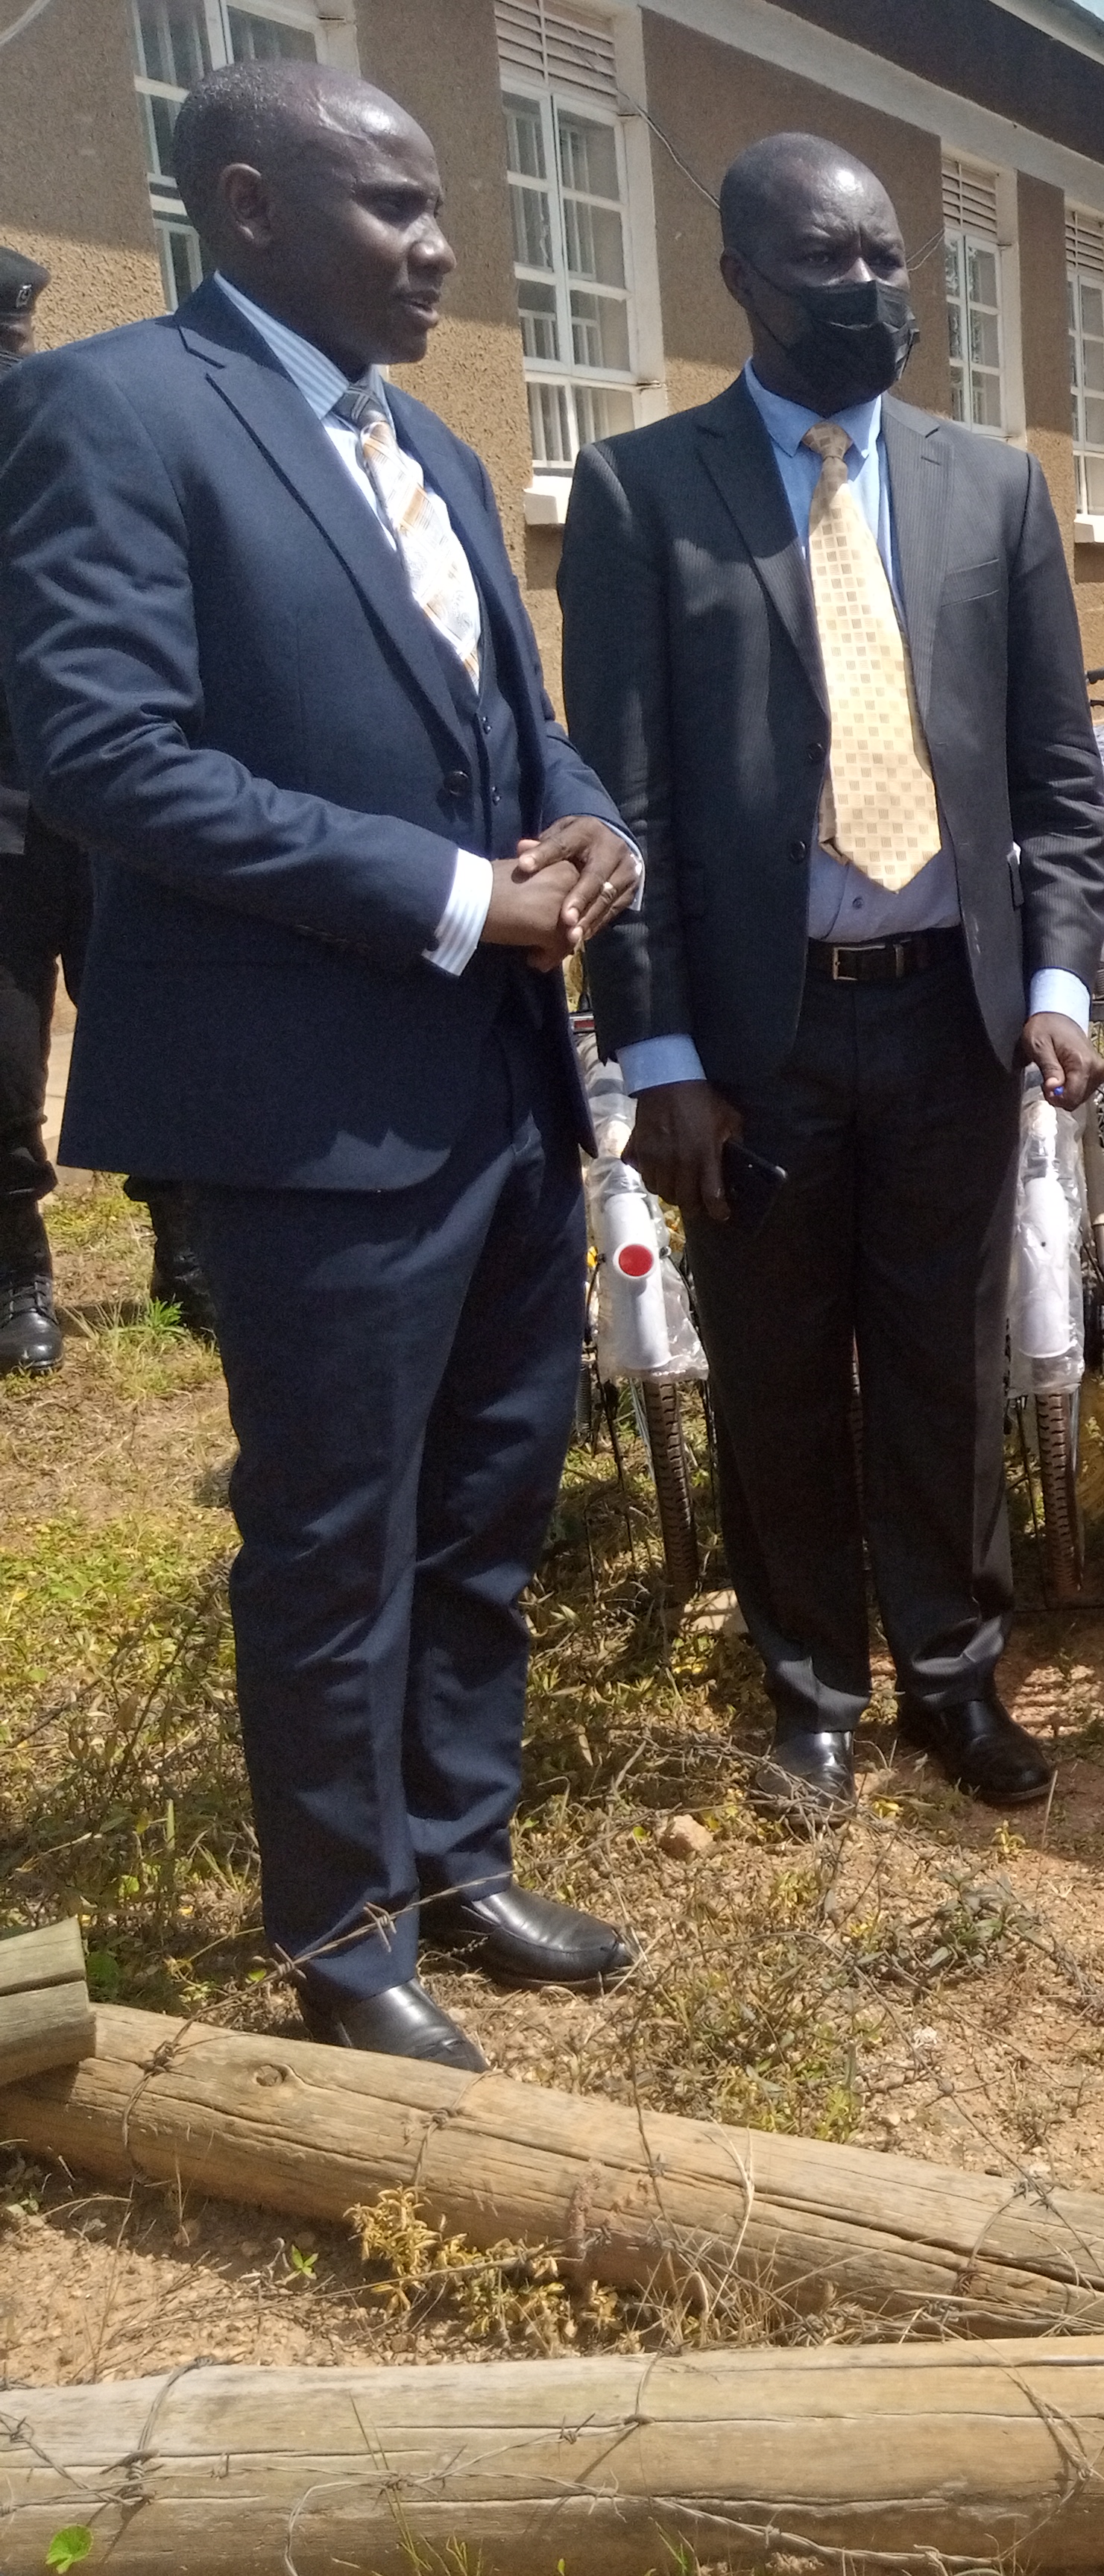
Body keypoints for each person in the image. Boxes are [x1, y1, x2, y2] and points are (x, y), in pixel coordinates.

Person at [0, 63, 643, 2065]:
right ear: (248, 209)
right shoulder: (109, 412)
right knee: (334, 1529)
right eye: (391, 208)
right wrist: (457, 896)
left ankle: (459, 1855)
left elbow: (503, 720)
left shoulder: (438, 452)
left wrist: (589, 820)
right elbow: (106, 755)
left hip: (499, 1089)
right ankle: (343, 1925)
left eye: (441, 205)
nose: (442, 243)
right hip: (302, 1108)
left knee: (484, 1498)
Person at [561, 133, 1104, 1820]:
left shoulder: (991, 488)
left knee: (947, 1368)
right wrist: (655, 1050)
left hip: (950, 1009)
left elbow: (1055, 776)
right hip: (756, 1032)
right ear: (738, 273)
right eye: (832, 263)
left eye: (892, 264)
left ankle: (953, 1676)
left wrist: (1063, 985)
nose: (876, 293)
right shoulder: (645, 492)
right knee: (780, 1366)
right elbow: (622, 795)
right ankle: (808, 1690)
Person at [0, 241, 214, 1375]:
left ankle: (183, 1246)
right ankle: (15, 1266)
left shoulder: (68, 443)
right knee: (2, 1056)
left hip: (99, 799)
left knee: (152, 1025)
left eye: (17, 333)